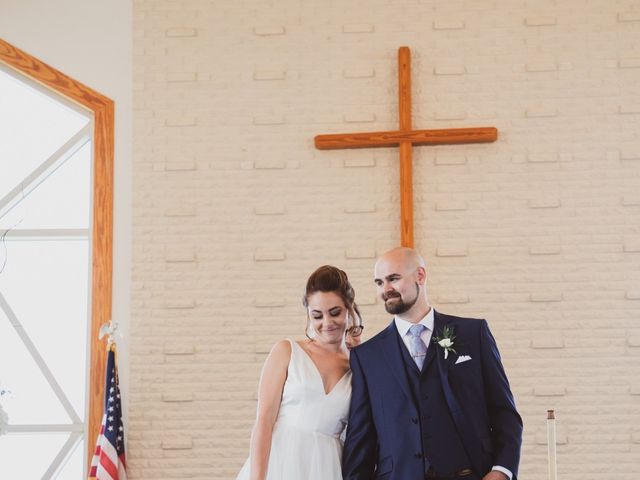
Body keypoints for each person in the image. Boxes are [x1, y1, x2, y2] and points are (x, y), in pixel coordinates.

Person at [343, 247, 523, 480]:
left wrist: (501, 470)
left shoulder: (473, 334)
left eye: (393, 279)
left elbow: (504, 412)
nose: (385, 290)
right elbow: (360, 439)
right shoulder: (367, 356)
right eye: (379, 282)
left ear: (420, 276)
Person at [236, 265, 359, 480]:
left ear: (349, 309)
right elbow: (264, 421)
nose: (327, 323)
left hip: (329, 466)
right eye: (317, 315)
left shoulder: (358, 365)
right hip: (281, 460)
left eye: (335, 313)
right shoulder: (287, 351)